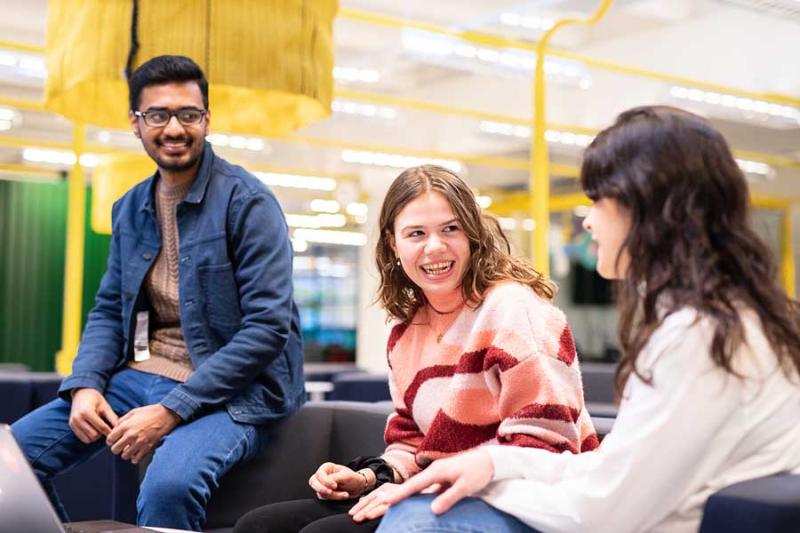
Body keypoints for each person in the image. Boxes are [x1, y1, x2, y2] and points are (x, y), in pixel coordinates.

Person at [378, 106, 800, 533]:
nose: (588, 219)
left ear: (649, 211)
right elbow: (613, 471)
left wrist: (484, 484)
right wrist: (491, 463)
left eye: (598, 201)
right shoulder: (716, 321)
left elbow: (604, 509)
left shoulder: (700, 337)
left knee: (415, 521)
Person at [11, 55, 305, 531]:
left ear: (206, 119)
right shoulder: (130, 208)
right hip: (139, 376)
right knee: (12, 461)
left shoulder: (248, 202)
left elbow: (267, 328)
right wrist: (86, 383)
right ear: (136, 123)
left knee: (170, 486)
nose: (174, 128)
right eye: (158, 115)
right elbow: (110, 309)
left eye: (188, 114)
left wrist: (173, 408)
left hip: (234, 390)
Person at [233, 165, 599, 533]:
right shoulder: (406, 328)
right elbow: (413, 442)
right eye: (416, 234)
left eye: (450, 229)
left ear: (473, 234)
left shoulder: (514, 309)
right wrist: (368, 479)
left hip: (520, 500)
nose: (435, 246)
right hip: (438, 490)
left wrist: (418, 489)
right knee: (260, 525)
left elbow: (547, 447)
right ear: (394, 244)